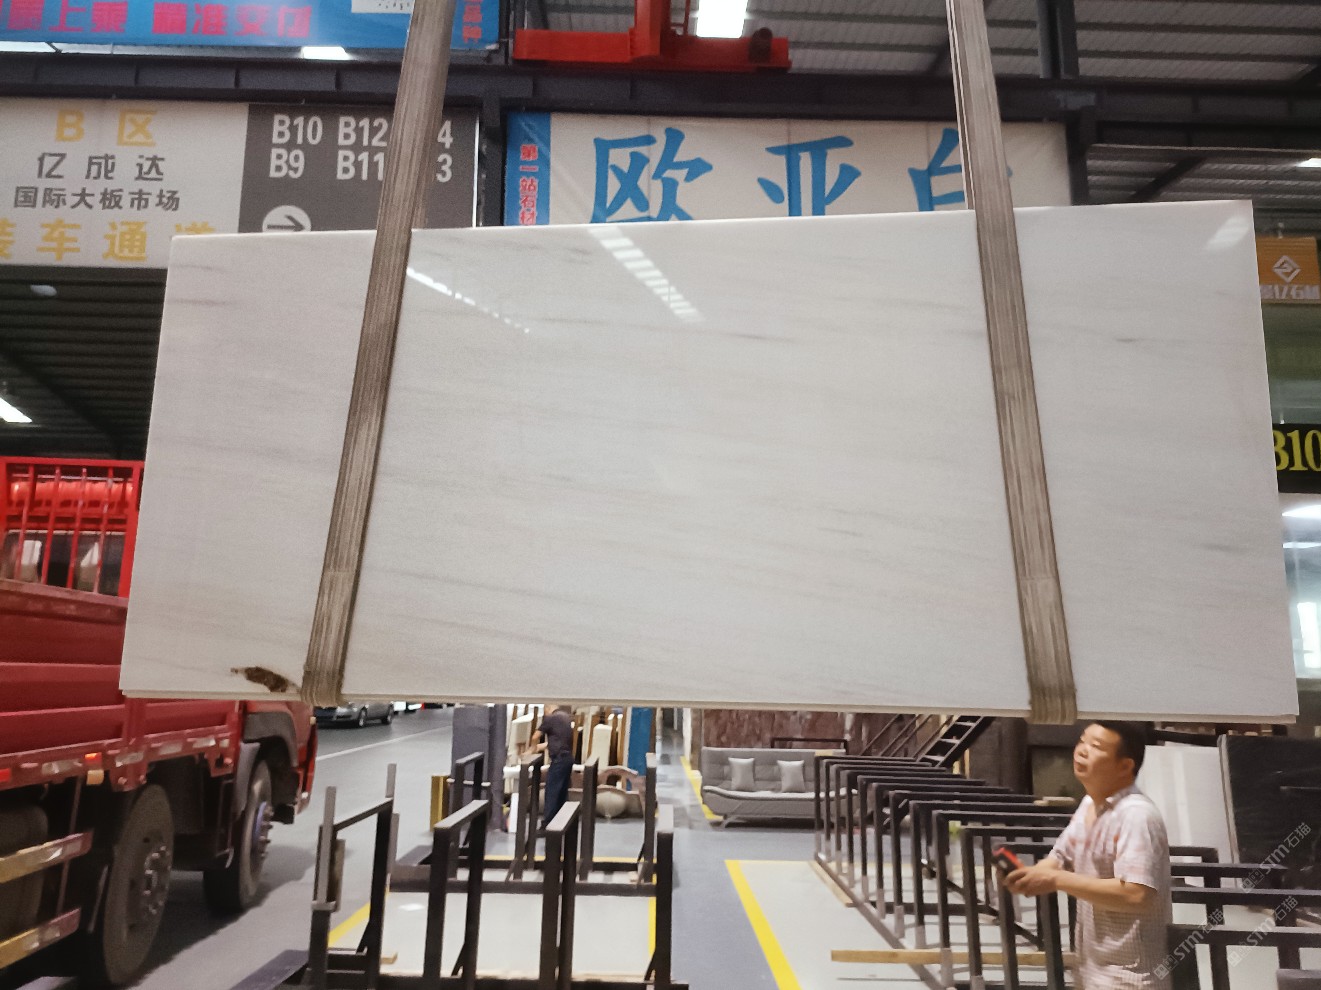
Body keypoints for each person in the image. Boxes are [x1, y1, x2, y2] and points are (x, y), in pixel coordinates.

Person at [1004, 721, 1171, 990]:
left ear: (1125, 766)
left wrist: (1056, 880)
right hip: (1091, 969)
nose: (1082, 750)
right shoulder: (1089, 804)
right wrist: (1028, 875)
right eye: (1082, 741)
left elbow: (1137, 894)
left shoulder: (1136, 816)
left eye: (1096, 746)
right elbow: (1060, 856)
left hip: (1130, 978)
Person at [532, 704, 574, 828]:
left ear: (547, 708)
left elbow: (535, 736)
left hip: (558, 760)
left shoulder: (550, 718)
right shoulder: (565, 717)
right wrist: (542, 746)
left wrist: (532, 749)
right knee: (562, 793)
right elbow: (559, 739)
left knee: (552, 792)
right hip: (568, 759)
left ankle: (548, 824)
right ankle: (561, 822)